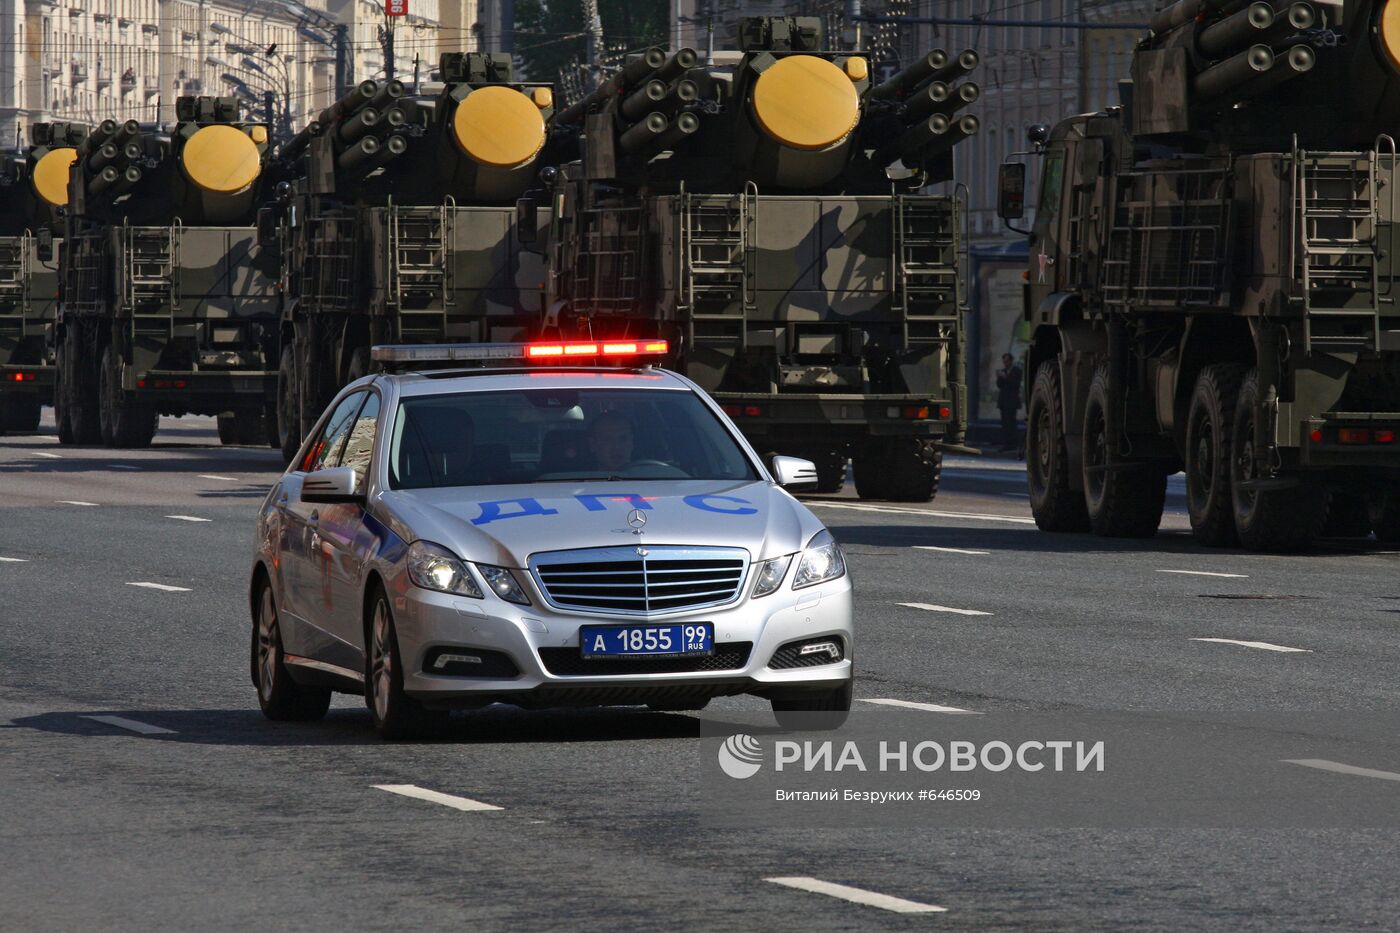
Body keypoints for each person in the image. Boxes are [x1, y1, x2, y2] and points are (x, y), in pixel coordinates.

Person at [995, 353, 1023, 452]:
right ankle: (1006, 443)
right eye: (1004, 362)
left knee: (1011, 423)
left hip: (1012, 402)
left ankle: (1013, 443)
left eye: (1007, 361)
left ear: (1011, 361)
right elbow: (999, 385)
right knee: (1004, 423)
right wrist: (999, 377)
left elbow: (1015, 384)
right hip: (1003, 401)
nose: (1005, 363)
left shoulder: (1017, 371)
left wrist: (1006, 377)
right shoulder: (1003, 371)